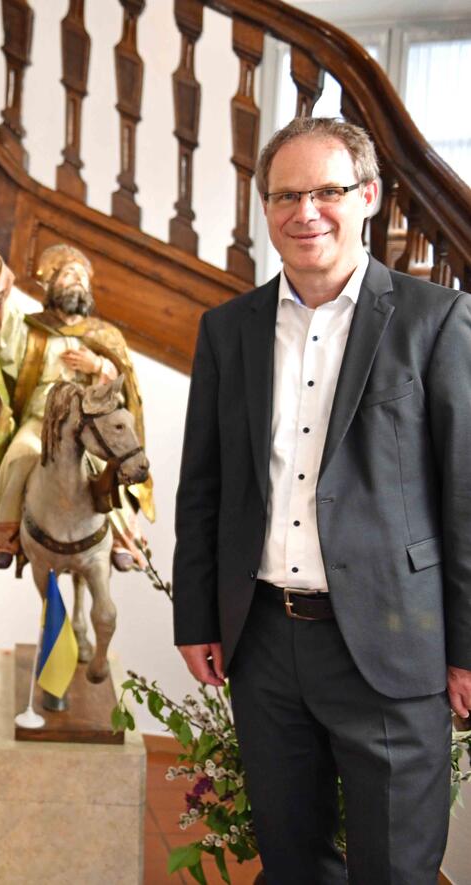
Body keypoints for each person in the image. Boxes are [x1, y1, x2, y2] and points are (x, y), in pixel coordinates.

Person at [173, 116, 471, 884]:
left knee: (396, 867)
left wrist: (468, 646)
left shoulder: (434, 321)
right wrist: (197, 615)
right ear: (266, 208)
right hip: (267, 641)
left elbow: (466, 494)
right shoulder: (227, 330)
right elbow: (203, 485)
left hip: (394, 643)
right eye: (285, 195)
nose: (306, 212)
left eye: (328, 191)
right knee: (293, 861)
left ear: (367, 196)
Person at [0, 236, 152, 571]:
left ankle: (124, 539)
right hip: (42, 420)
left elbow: (124, 384)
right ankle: (6, 534)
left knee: (107, 465)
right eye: (69, 276)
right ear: (52, 284)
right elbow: (3, 334)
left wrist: (98, 366)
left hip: (91, 422)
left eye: (83, 279)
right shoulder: (35, 330)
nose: (78, 284)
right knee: (20, 456)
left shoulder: (105, 334)